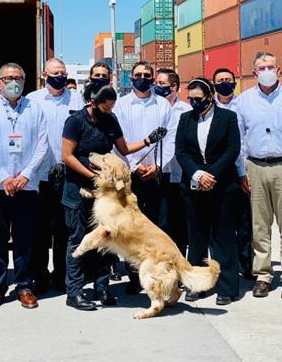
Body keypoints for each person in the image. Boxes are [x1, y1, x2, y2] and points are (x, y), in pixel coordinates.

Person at [61, 82, 163, 311]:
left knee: (106, 238)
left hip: (105, 194)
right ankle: (74, 292)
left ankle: (102, 288)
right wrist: (93, 176)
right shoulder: (75, 121)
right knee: (77, 239)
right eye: (105, 107)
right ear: (93, 102)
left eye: (111, 108)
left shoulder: (110, 119)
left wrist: (149, 140)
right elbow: (67, 156)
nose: (108, 111)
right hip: (78, 189)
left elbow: (123, 149)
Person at [0, 63, 49, 311]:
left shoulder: (35, 108)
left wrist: (26, 174)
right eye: (8, 78)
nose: (14, 82)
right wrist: (3, 176)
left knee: (25, 238)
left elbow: (42, 145)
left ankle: (24, 285)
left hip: (26, 185)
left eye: (18, 78)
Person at [236, 52, 282, 301]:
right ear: (254, 73)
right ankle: (263, 275)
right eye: (262, 68)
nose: (267, 71)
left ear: (279, 71)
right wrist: (241, 172)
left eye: (271, 66)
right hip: (255, 167)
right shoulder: (244, 101)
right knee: (259, 226)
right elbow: (240, 140)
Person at [176, 78, 243, 305]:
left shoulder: (228, 117)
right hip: (193, 186)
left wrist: (211, 175)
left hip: (222, 185)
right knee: (197, 238)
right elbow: (181, 151)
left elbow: (232, 149)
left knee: (223, 237)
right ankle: (197, 284)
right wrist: (197, 175)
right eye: (191, 99)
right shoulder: (185, 119)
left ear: (210, 96)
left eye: (199, 99)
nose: (195, 103)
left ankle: (227, 287)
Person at [112, 61, 175, 294]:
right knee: (132, 229)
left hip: (158, 175)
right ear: (131, 78)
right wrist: (135, 166)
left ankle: (160, 274)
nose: (142, 78)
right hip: (131, 175)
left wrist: (158, 166)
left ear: (152, 78)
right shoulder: (121, 105)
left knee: (160, 225)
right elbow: (117, 142)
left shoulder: (163, 105)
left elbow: (171, 139)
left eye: (147, 75)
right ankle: (135, 277)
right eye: (138, 75)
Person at [26, 58, 83, 294]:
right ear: (44, 75)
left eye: (63, 73)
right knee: (39, 230)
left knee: (64, 229)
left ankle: (62, 276)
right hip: (41, 174)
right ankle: (39, 276)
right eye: (55, 72)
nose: (59, 76)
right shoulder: (32, 100)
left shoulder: (76, 99)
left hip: (68, 174)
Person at [211, 68, 252, 281]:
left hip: (244, 170)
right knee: (218, 221)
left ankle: (247, 264)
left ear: (235, 83)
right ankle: (221, 264)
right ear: (214, 84)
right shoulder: (209, 107)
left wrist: (244, 171)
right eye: (220, 80)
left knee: (245, 221)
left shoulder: (244, 105)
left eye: (228, 80)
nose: (225, 83)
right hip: (219, 171)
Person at [155, 68, 191, 255]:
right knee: (161, 221)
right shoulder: (153, 107)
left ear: (174, 87)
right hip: (156, 173)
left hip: (180, 173)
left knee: (179, 222)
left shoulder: (187, 110)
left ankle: (180, 259)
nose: (157, 87)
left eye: (162, 84)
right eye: (156, 83)